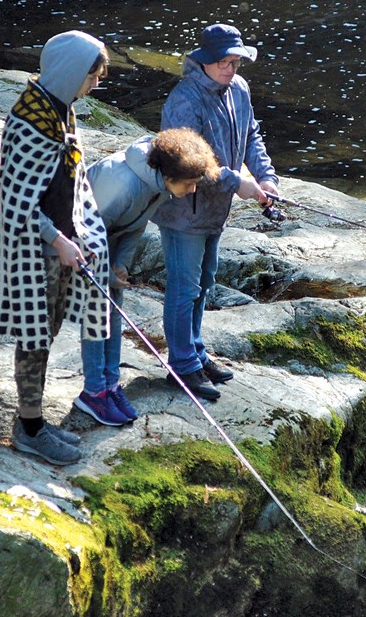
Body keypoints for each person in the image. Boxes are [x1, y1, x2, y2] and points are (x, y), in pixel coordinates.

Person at [0, 30, 111, 465]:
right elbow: (16, 200)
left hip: (61, 242)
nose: (95, 84)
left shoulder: (64, 111)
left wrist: (78, 234)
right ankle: (29, 427)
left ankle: (35, 419)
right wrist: (57, 239)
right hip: (34, 248)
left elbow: (69, 184)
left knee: (51, 328)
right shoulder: (28, 120)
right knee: (34, 335)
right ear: (70, 72)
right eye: (91, 76)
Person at [152, 23, 280, 401]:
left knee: (204, 285)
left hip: (214, 212)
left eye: (236, 62)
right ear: (205, 60)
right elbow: (185, 164)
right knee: (184, 288)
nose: (230, 69)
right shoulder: (184, 99)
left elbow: (252, 134)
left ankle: (195, 352)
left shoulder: (238, 89)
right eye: (223, 62)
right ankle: (182, 365)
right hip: (183, 211)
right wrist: (236, 182)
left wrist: (265, 178)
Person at [75, 128, 220, 424]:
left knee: (114, 311)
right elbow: (86, 228)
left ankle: (111, 385)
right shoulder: (124, 185)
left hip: (107, 238)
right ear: (171, 176)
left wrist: (120, 266)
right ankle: (93, 392)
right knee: (96, 312)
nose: (193, 190)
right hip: (79, 241)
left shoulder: (158, 186)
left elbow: (135, 226)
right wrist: (101, 270)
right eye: (190, 184)